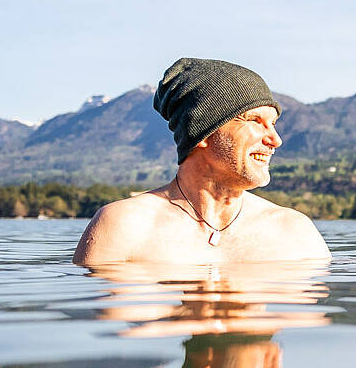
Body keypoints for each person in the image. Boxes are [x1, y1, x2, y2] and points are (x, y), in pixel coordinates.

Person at [73, 58, 329, 265]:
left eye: (272, 124)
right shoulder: (124, 227)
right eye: (253, 121)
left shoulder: (295, 233)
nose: (275, 140)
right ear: (202, 133)